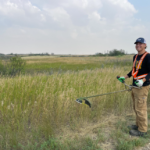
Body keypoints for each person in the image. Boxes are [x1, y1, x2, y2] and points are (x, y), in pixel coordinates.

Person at [118, 37, 150, 137]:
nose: (138, 45)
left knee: (141, 109)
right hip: (135, 86)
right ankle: (138, 125)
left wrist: (143, 80)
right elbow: (134, 71)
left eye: (140, 44)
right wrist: (125, 77)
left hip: (143, 87)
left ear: (145, 45)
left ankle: (143, 131)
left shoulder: (148, 57)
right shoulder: (135, 57)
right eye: (136, 44)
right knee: (136, 108)